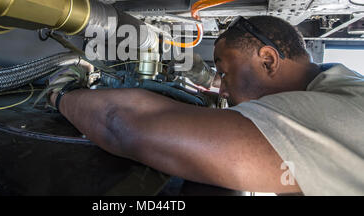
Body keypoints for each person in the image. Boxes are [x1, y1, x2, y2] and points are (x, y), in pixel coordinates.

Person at [50, 16, 364, 195]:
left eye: (224, 73)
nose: (223, 90)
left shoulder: (346, 112)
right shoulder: (334, 89)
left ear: (268, 60)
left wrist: (61, 93)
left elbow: (123, 124)